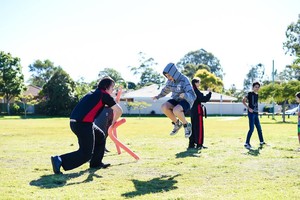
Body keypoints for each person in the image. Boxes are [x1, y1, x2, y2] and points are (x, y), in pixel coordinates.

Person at [51, 77, 123, 174]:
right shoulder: (104, 95)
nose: (113, 90)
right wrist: (113, 122)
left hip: (77, 122)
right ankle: (59, 160)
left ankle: (96, 163)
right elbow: (119, 111)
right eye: (112, 87)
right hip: (83, 124)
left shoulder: (93, 93)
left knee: (100, 136)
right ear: (106, 87)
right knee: (86, 154)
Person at [153, 63, 196, 138]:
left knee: (176, 110)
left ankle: (186, 125)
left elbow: (192, 95)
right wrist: (158, 96)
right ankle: (177, 124)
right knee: (164, 107)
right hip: (176, 100)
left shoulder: (184, 79)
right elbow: (165, 90)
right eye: (166, 76)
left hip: (186, 101)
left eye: (169, 76)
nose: (168, 78)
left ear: (174, 73)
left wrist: (185, 95)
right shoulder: (170, 81)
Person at [189, 77, 212, 149]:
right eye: (198, 82)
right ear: (195, 83)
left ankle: (191, 144)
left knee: (193, 128)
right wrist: (209, 93)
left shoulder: (191, 90)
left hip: (192, 111)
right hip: (197, 111)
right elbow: (204, 99)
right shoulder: (196, 91)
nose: (199, 84)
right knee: (199, 128)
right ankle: (199, 144)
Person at [242, 82, 265, 149]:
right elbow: (243, 101)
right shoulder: (249, 93)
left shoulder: (257, 95)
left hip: (256, 113)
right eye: (256, 87)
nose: (257, 88)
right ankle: (246, 143)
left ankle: (261, 141)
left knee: (259, 128)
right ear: (253, 87)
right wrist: (249, 108)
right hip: (251, 114)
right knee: (251, 128)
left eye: (258, 87)